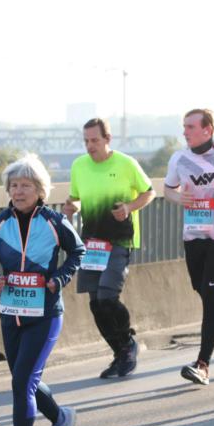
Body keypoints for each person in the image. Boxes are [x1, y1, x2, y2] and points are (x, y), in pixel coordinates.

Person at [0, 153, 84, 426]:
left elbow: (77, 252)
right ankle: (61, 417)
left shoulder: (53, 222)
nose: (18, 191)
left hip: (46, 314)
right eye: (14, 185)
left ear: (40, 190)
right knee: (27, 381)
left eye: (26, 185)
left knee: (22, 381)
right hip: (11, 315)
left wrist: (59, 278)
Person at [65, 118, 155, 379]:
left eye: (95, 140)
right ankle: (120, 352)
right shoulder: (79, 166)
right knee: (95, 303)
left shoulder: (126, 164)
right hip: (92, 242)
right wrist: (71, 207)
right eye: (86, 141)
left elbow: (149, 192)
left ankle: (128, 343)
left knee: (107, 296)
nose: (90, 146)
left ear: (107, 139)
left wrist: (128, 208)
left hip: (120, 239)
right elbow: (77, 198)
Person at [163, 109, 214, 385]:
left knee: (212, 295)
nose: (185, 131)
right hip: (193, 234)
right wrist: (180, 198)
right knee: (203, 291)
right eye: (183, 126)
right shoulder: (179, 158)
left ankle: (202, 364)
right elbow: (168, 190)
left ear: (208, 130)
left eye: (190, 126)